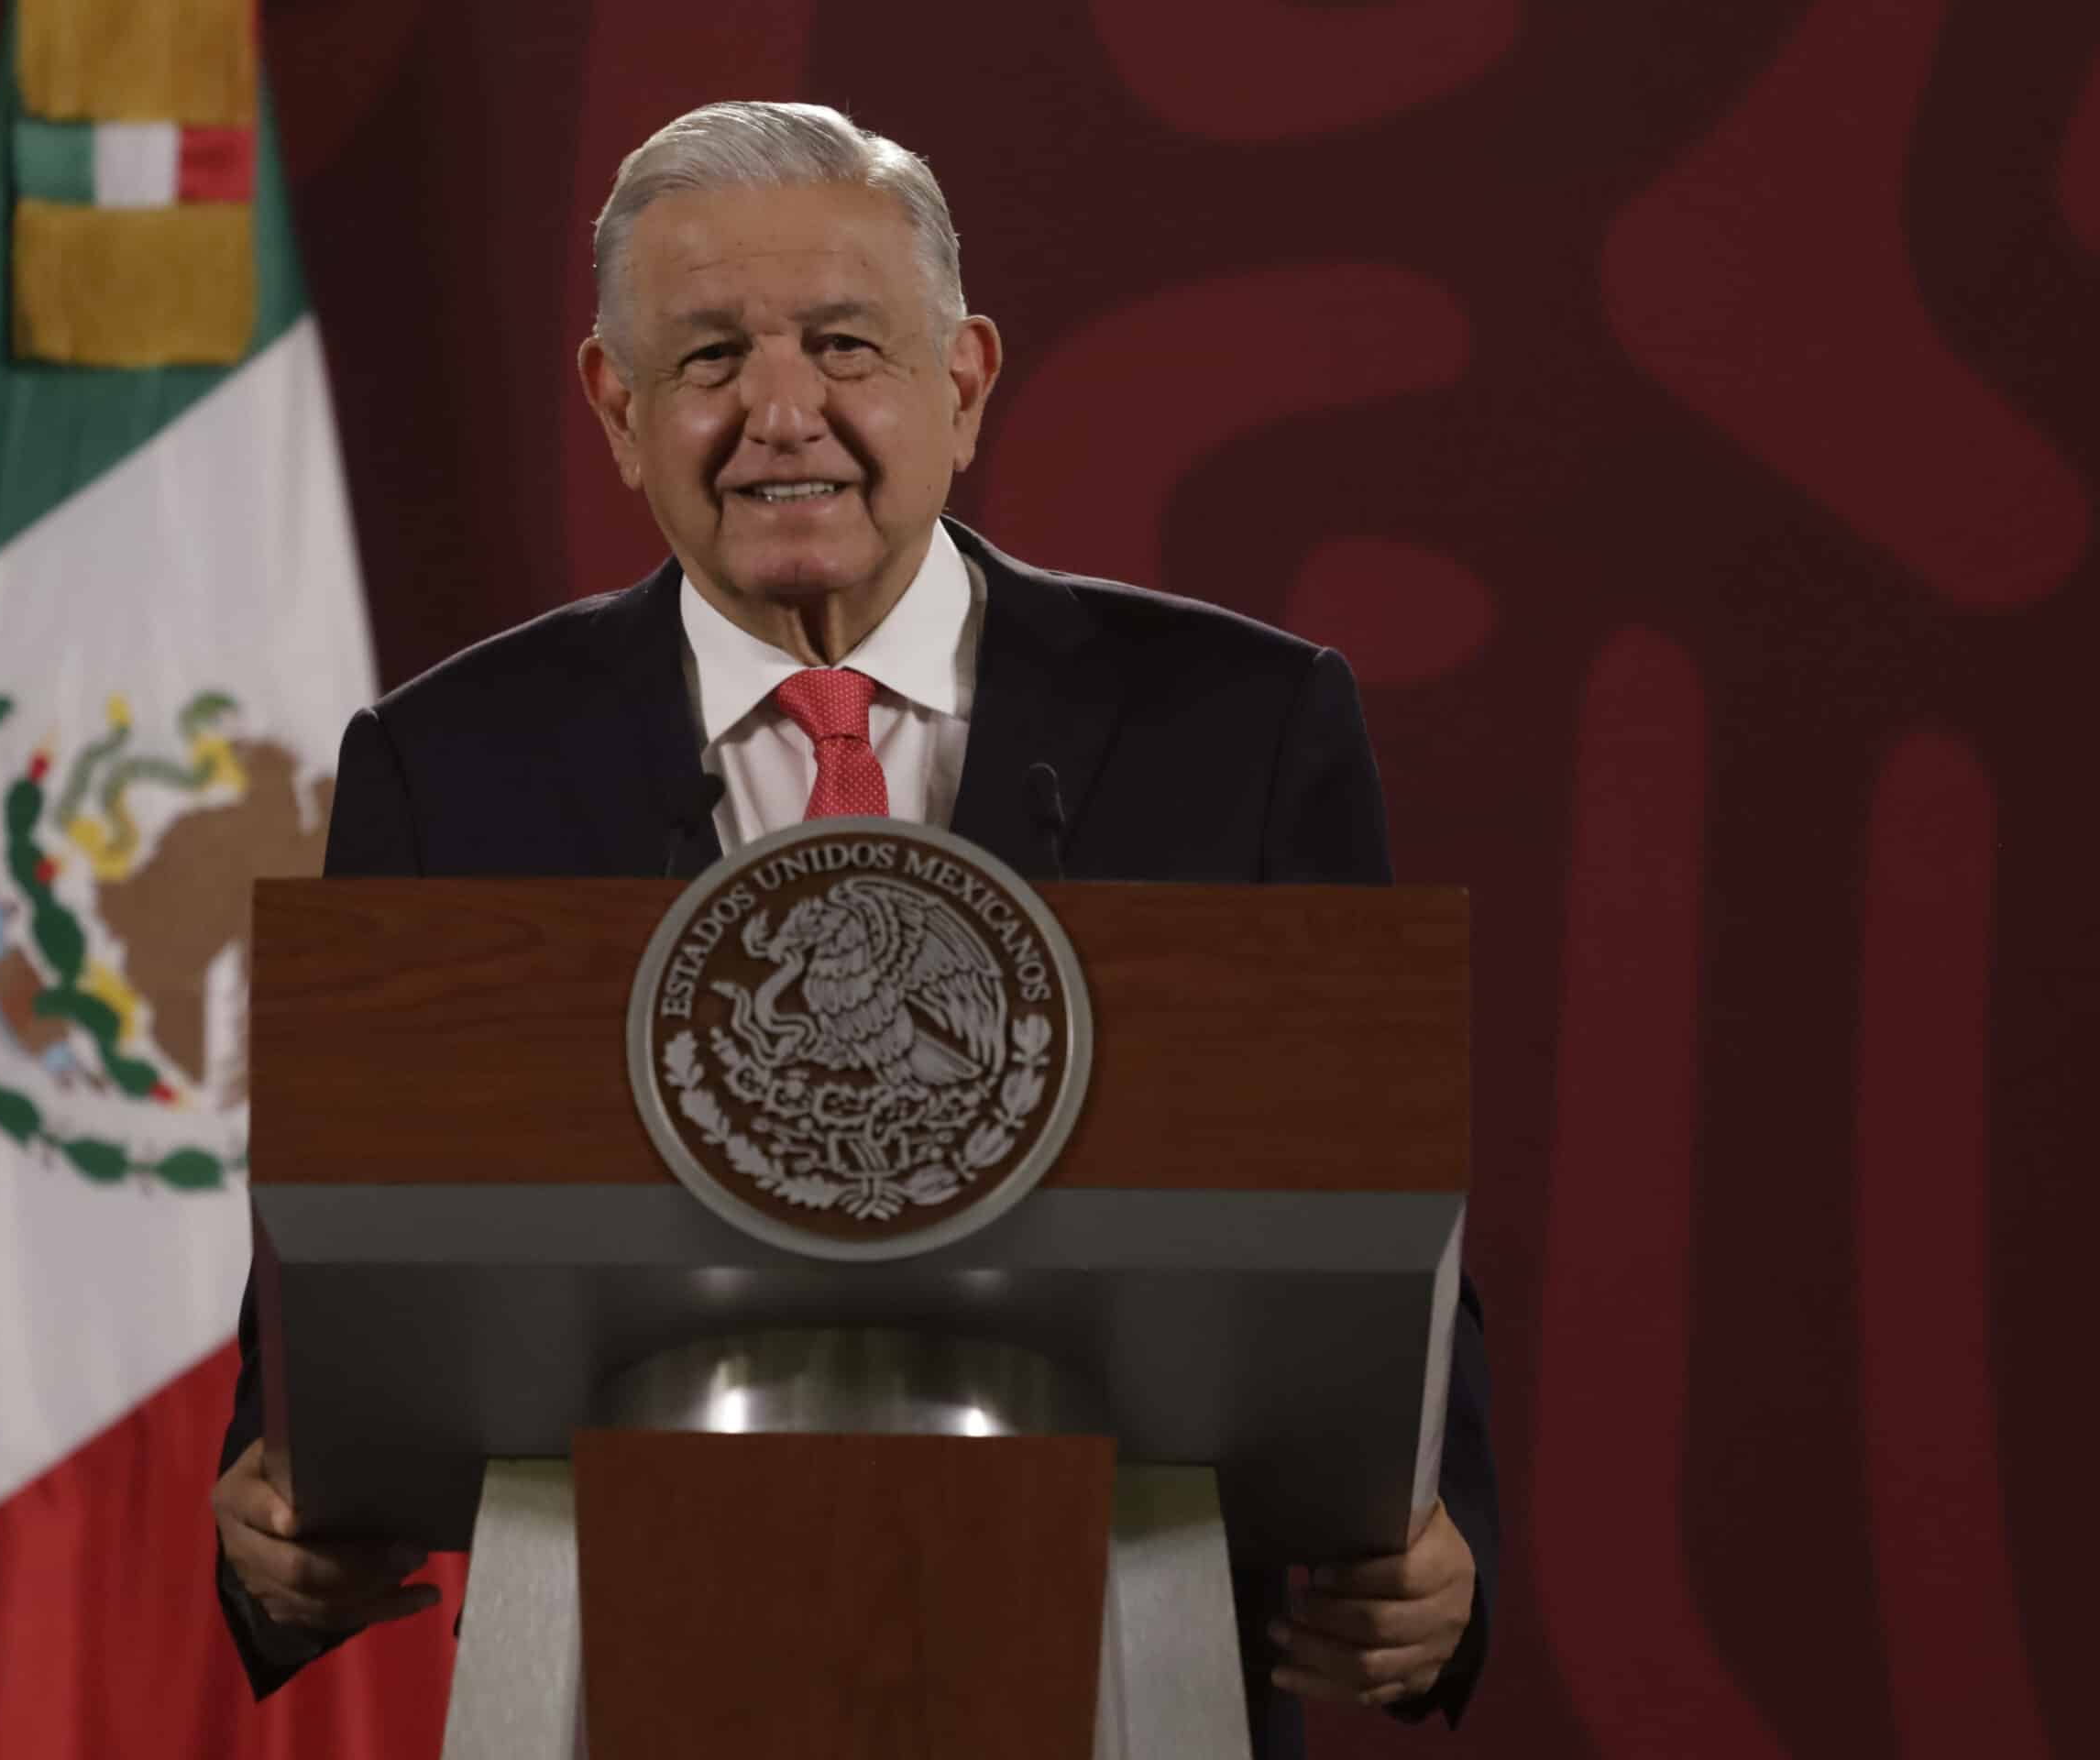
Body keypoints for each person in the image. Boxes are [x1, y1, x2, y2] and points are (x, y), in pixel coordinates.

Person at [213, 100, 1498, 1752]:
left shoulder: (1239, 725)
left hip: (1135, 1642)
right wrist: (276, 1511)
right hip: (627, 1653)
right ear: (615, 407)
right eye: (706, 360)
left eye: (841, 345)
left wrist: (1438, 1534)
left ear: (961, 382)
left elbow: (1376, 1195)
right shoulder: (452, 760)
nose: (779, 414)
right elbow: (350, 1218)